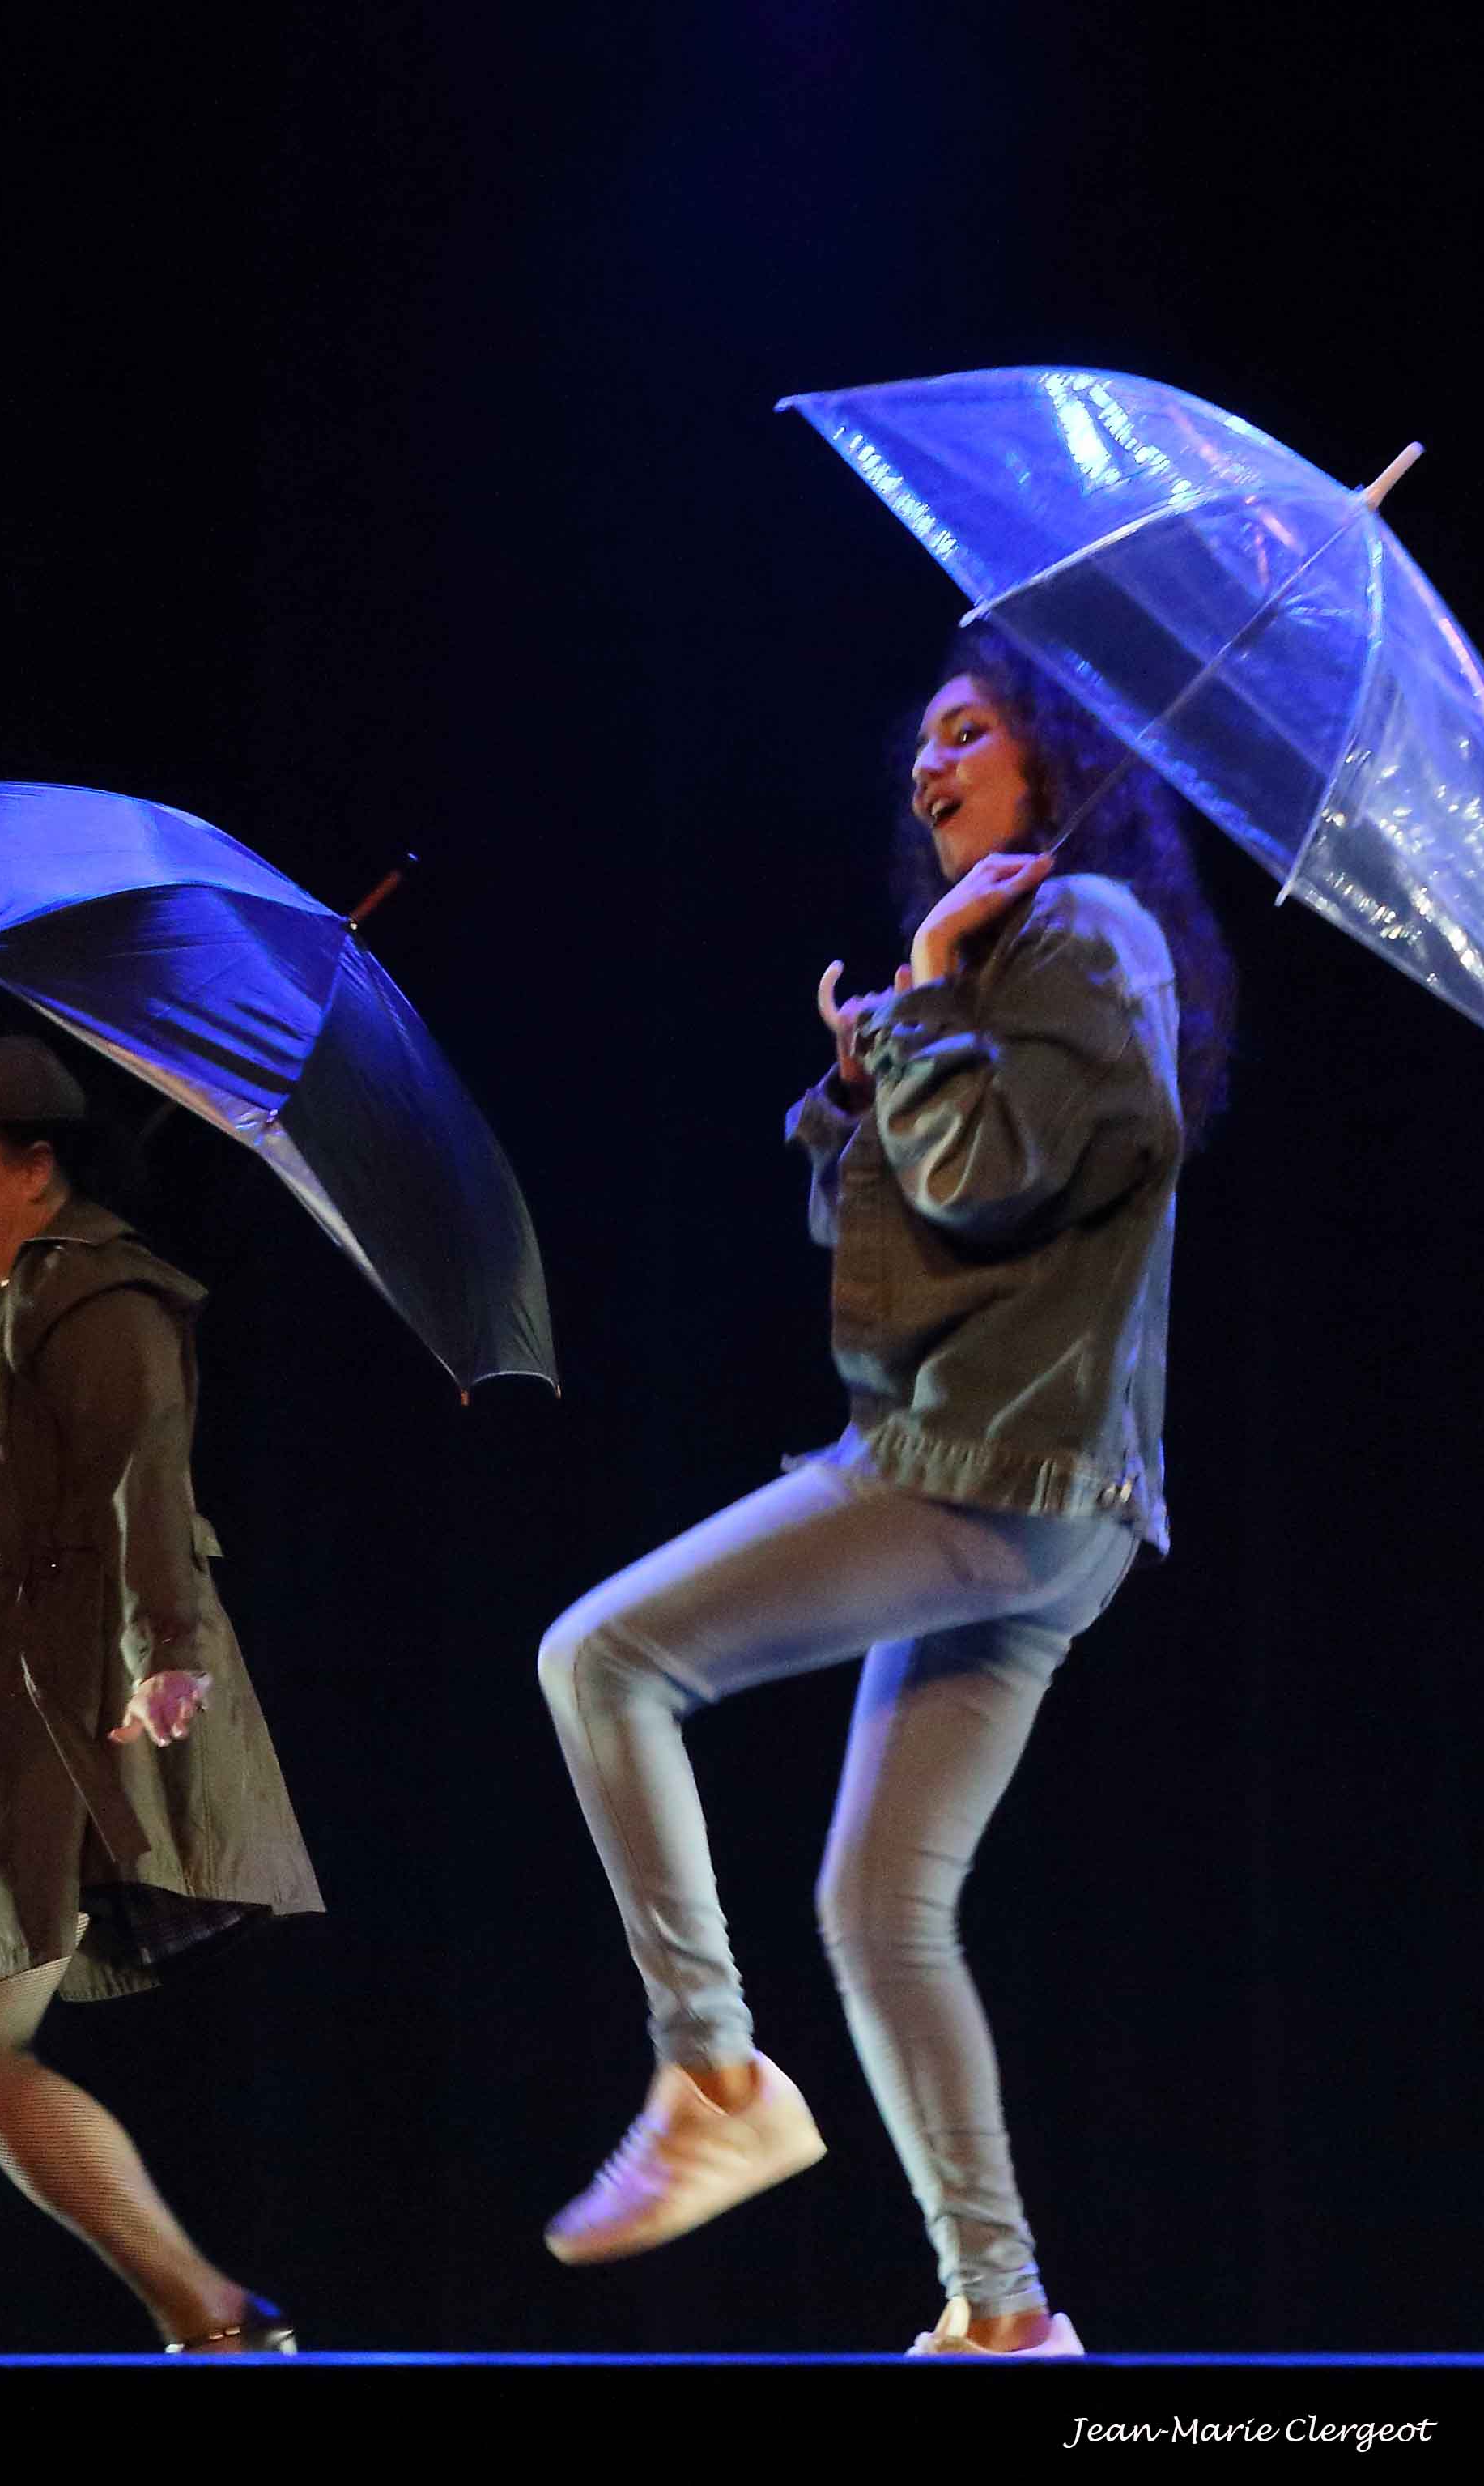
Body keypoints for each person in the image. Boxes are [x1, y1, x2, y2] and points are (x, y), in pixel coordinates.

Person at [533, 628, 1235, 2357]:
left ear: (1054, 767)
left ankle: (710, 2069)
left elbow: (997, 1179)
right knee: (880, 1904)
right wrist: (869, 1069)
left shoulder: (1082, 931)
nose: (929, 766)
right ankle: (1005, 2316)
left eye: (971, 733)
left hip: (991, 1462)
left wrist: (924, 983)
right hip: (1033, 1492)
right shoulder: (1025, 952)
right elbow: (915, 1204)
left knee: (601, 1659)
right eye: (921, 741)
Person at [0, 1034, 318, 2356]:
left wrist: (165, 1646)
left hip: (32, 1719)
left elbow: (141, 1482)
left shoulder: (100, 1301)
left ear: (39, 1175)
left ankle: (207, 2309)